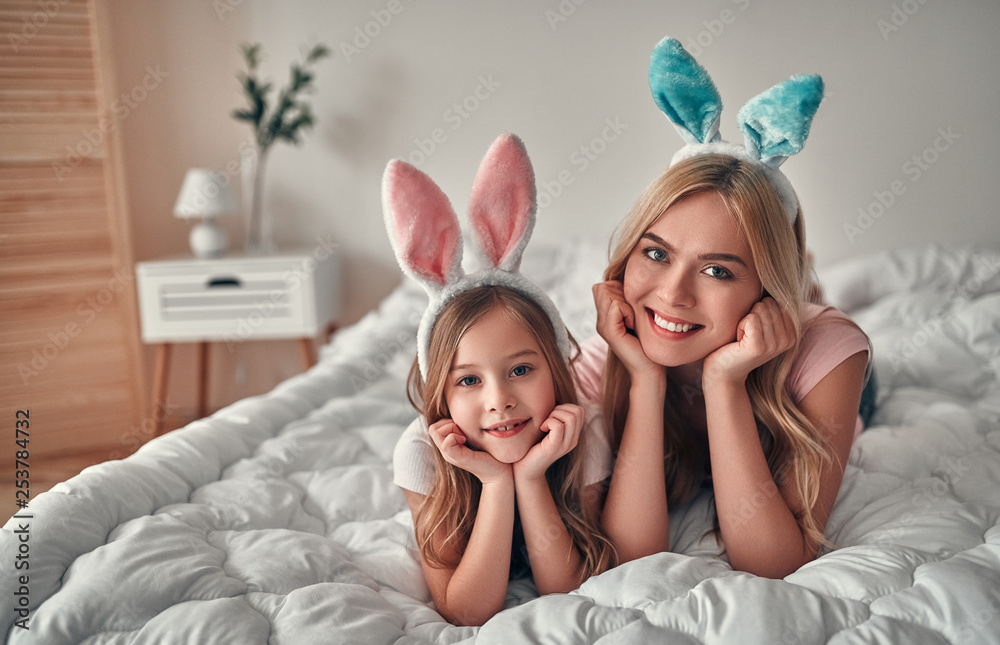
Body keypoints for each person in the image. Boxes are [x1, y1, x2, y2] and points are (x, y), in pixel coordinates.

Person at [585, 38, 872, 579]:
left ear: (765, 289)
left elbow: (773, 563)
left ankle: (804, 281)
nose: (671, 294)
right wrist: (645, 381)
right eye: (656, 253)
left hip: (800, 365)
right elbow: (629, 561)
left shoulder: (834, 355)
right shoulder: (617, 339)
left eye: (717, 270)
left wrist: (725, 383)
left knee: (821, 316)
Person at [384, 134, 616, 626]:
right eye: (468, 381)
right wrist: (494, 481)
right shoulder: (421, 454)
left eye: (521, 370)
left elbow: (566, 588)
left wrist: (531, 476)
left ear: (555, 368)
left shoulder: (586, 428)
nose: (500, 400)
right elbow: (465, 609)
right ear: (439, 393)